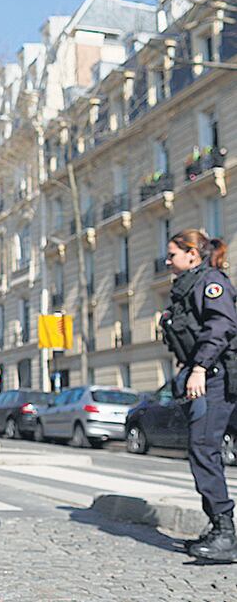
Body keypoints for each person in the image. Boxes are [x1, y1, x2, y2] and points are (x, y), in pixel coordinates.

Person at [161, 229, 237, 562]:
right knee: (201, 449)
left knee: (204, 448)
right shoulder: (187, 286)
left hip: (215, 376)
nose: (167, 261)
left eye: (173, 254)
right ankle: (218, 527)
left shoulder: (211, 282)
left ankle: (225, 533)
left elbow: (221, 326)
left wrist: (199, 368)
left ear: (193, 254)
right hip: (206, 374)